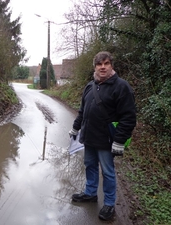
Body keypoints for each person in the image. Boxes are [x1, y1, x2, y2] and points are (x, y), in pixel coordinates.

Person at [69, 51, 136, 221]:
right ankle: (91, 193)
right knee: (89, 165)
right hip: (89, 138)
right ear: (95, 67)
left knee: (107, 172)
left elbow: (128, 117)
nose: (103, 67)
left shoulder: (121, 87)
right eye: (99, 64)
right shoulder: (90, 86)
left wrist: (119, 141)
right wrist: (76, 128)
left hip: (107, 141)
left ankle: (109, 204)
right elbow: (83, 111)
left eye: (106, 63)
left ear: (111, 65)